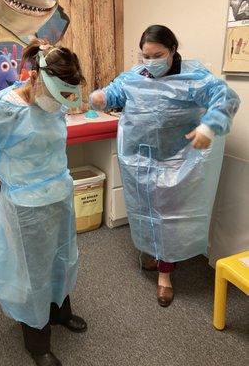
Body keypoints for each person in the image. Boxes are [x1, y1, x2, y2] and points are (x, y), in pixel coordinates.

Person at [0, 39, 87, 366]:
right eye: (56, 95)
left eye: (65, 96)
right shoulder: (1, 110)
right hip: (26, 210)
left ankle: (59, 312)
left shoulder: (55, 103)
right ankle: (37, 342)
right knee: (31, 273)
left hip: (59, 199)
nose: (60, 103)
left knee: (62, 258)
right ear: (34, 78)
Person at [90, 25, 240, 307]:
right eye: (145, 56)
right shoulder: (136, 75)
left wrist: (210, 125)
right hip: (139, 157)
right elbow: (116, 92)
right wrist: (101, 97)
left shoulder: (193, 77)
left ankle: (165, 275)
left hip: (177, 160)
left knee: (168, 218)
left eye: (156, 55)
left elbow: (226, 98)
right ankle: (150, 252)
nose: (149, 62)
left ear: (173, 50)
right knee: (143, 209)